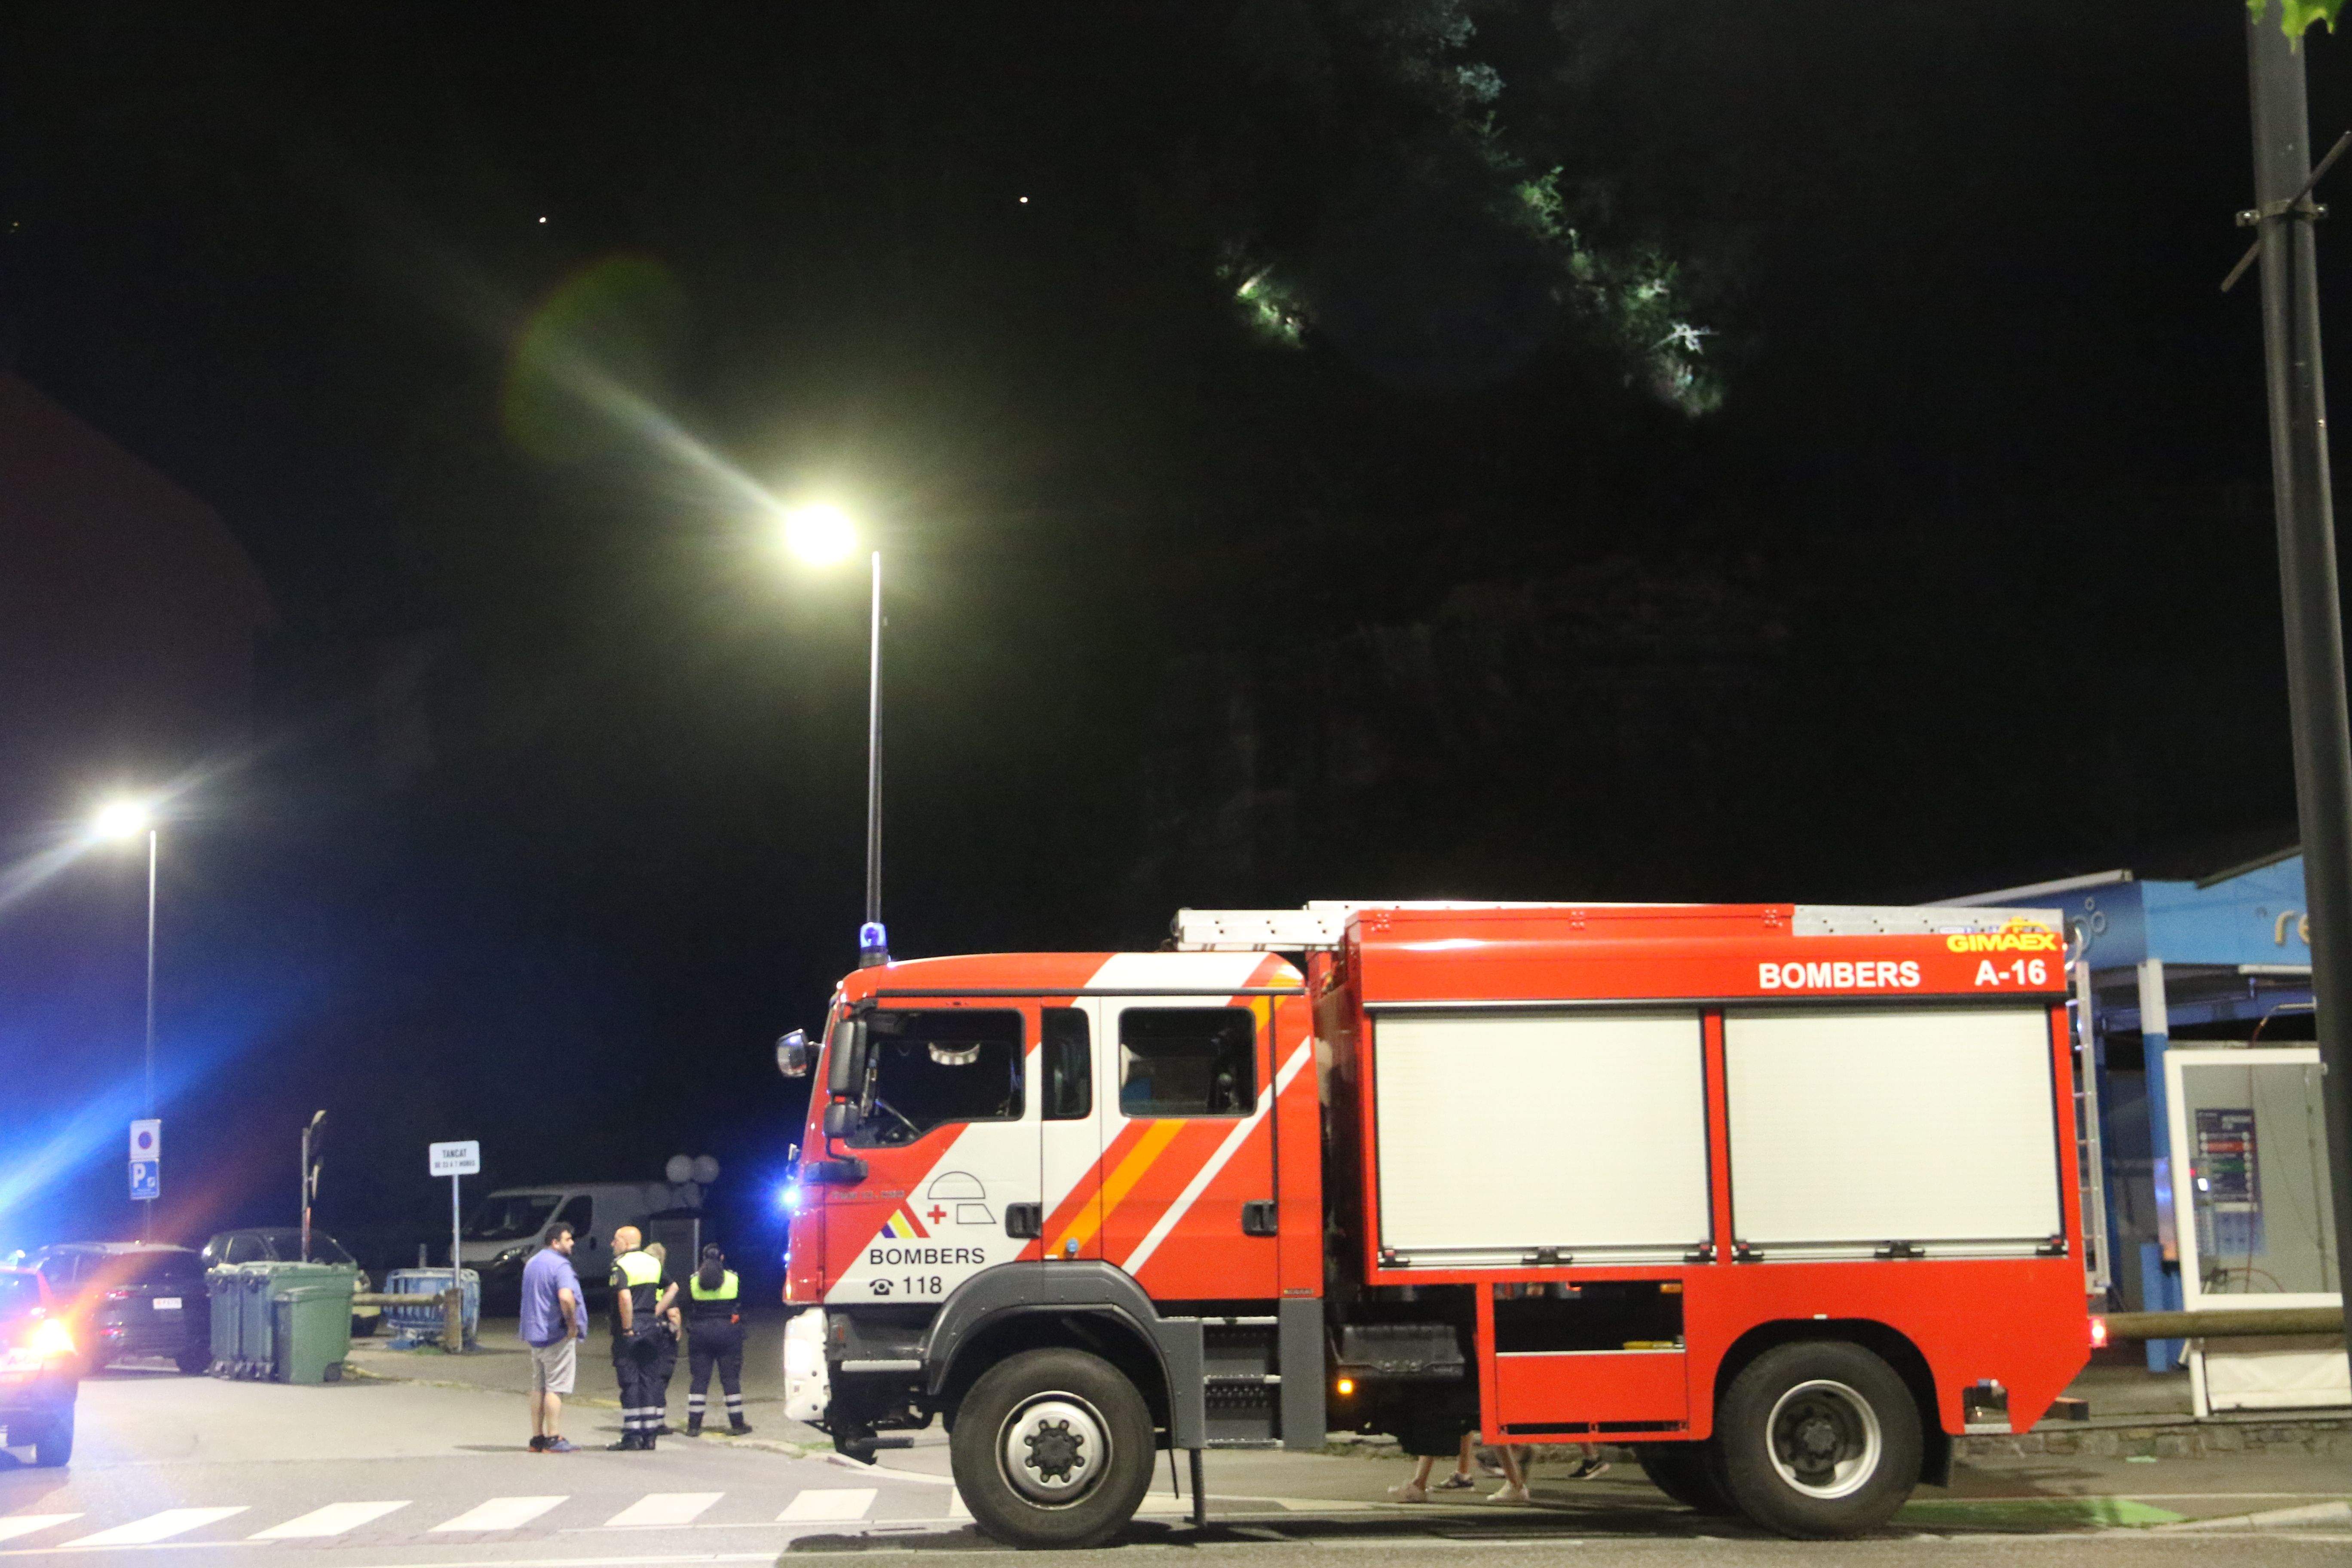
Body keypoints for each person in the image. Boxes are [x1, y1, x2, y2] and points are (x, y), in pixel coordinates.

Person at [519, 1221, 584, 1454]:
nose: (572, 1243)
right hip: (555, 1333)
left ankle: (537, 1438)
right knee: (555, 1388)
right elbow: (566, 1298)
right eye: (568, 1239)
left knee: (539, 1387)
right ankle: (554, 1438)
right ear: (555, 1242)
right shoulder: (561, 1266)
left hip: (534, 1333)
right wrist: (572, 1325)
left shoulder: (533, 1263)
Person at [606, 1226, 669, 1450]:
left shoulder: (620, 1265)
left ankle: (632, 1435)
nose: (613, 1245)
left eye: (615, 1240)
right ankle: (650, 1435)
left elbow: (624, 1298)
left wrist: (627, 1327)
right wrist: (656, 1311)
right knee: (649, 1380)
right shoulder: (653, 1263)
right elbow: (673, 1287)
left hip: (631, 1330)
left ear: (624, 1241)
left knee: (630, 1381)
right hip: (651, 1327)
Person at [683, 1242, 752, 1436]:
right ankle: (737, 1424)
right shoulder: (733, 1279)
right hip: (728, 1332)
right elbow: (742, 1304)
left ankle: (694, 1426)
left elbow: (688, 1305)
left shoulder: (693, 1280)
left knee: (699, 1380)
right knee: (730, 1379)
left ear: (703, 1259)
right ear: (722, 1258)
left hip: (700, 1332)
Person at [641, 1241, 683, 1435]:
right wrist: (679, 1330)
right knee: (661, 1377)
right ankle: (657, 1421)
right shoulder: (663, 1284)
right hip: (662, 1335)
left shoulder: (639, 1283)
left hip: (642, 1333)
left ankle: (642, 1418)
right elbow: (673, 1313)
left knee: (644, 1377)